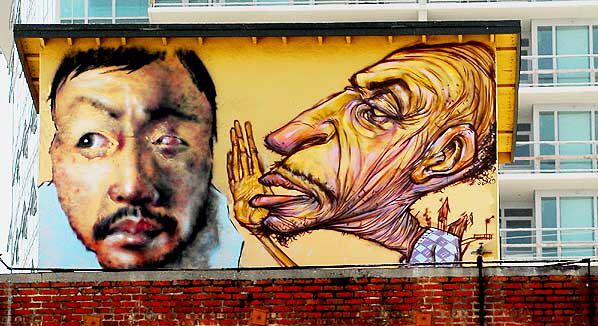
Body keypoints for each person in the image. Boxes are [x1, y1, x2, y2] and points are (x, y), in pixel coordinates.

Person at [228, 41, 495, 265]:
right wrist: (258, 230)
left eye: (375, 112)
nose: (283, 138)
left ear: (444, 156)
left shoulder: (442, 261)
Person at [47, 46, 242, 270]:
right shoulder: (33, 235)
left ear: (210, 155)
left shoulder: (243, 237)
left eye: (169, 141)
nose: (132, 189)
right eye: (90, 141)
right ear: (55, 156)